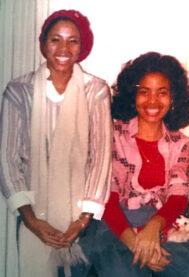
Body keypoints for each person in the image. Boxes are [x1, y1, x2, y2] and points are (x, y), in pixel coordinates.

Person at [79, 51, 189, 276]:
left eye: (162, 93)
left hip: (161, 223)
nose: (152, 101)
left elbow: (178, 196)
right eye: (144, 92)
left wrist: (154, 230)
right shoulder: (113, 134)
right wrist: (136, 243)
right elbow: (107, 198)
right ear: (133, 95)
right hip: (115, 227)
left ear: (173, 99)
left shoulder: (180, 142)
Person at [0, 9, 112, 277]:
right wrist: (31, 220)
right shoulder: (19, 91)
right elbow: (7, 158)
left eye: (72, 40)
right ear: (43, 44)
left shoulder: (94, 90)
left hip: (83, 214)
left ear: (82, 46)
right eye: (55, 39)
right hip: (33, 211)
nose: (64, 48)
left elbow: (101, 157)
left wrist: (82, 220)